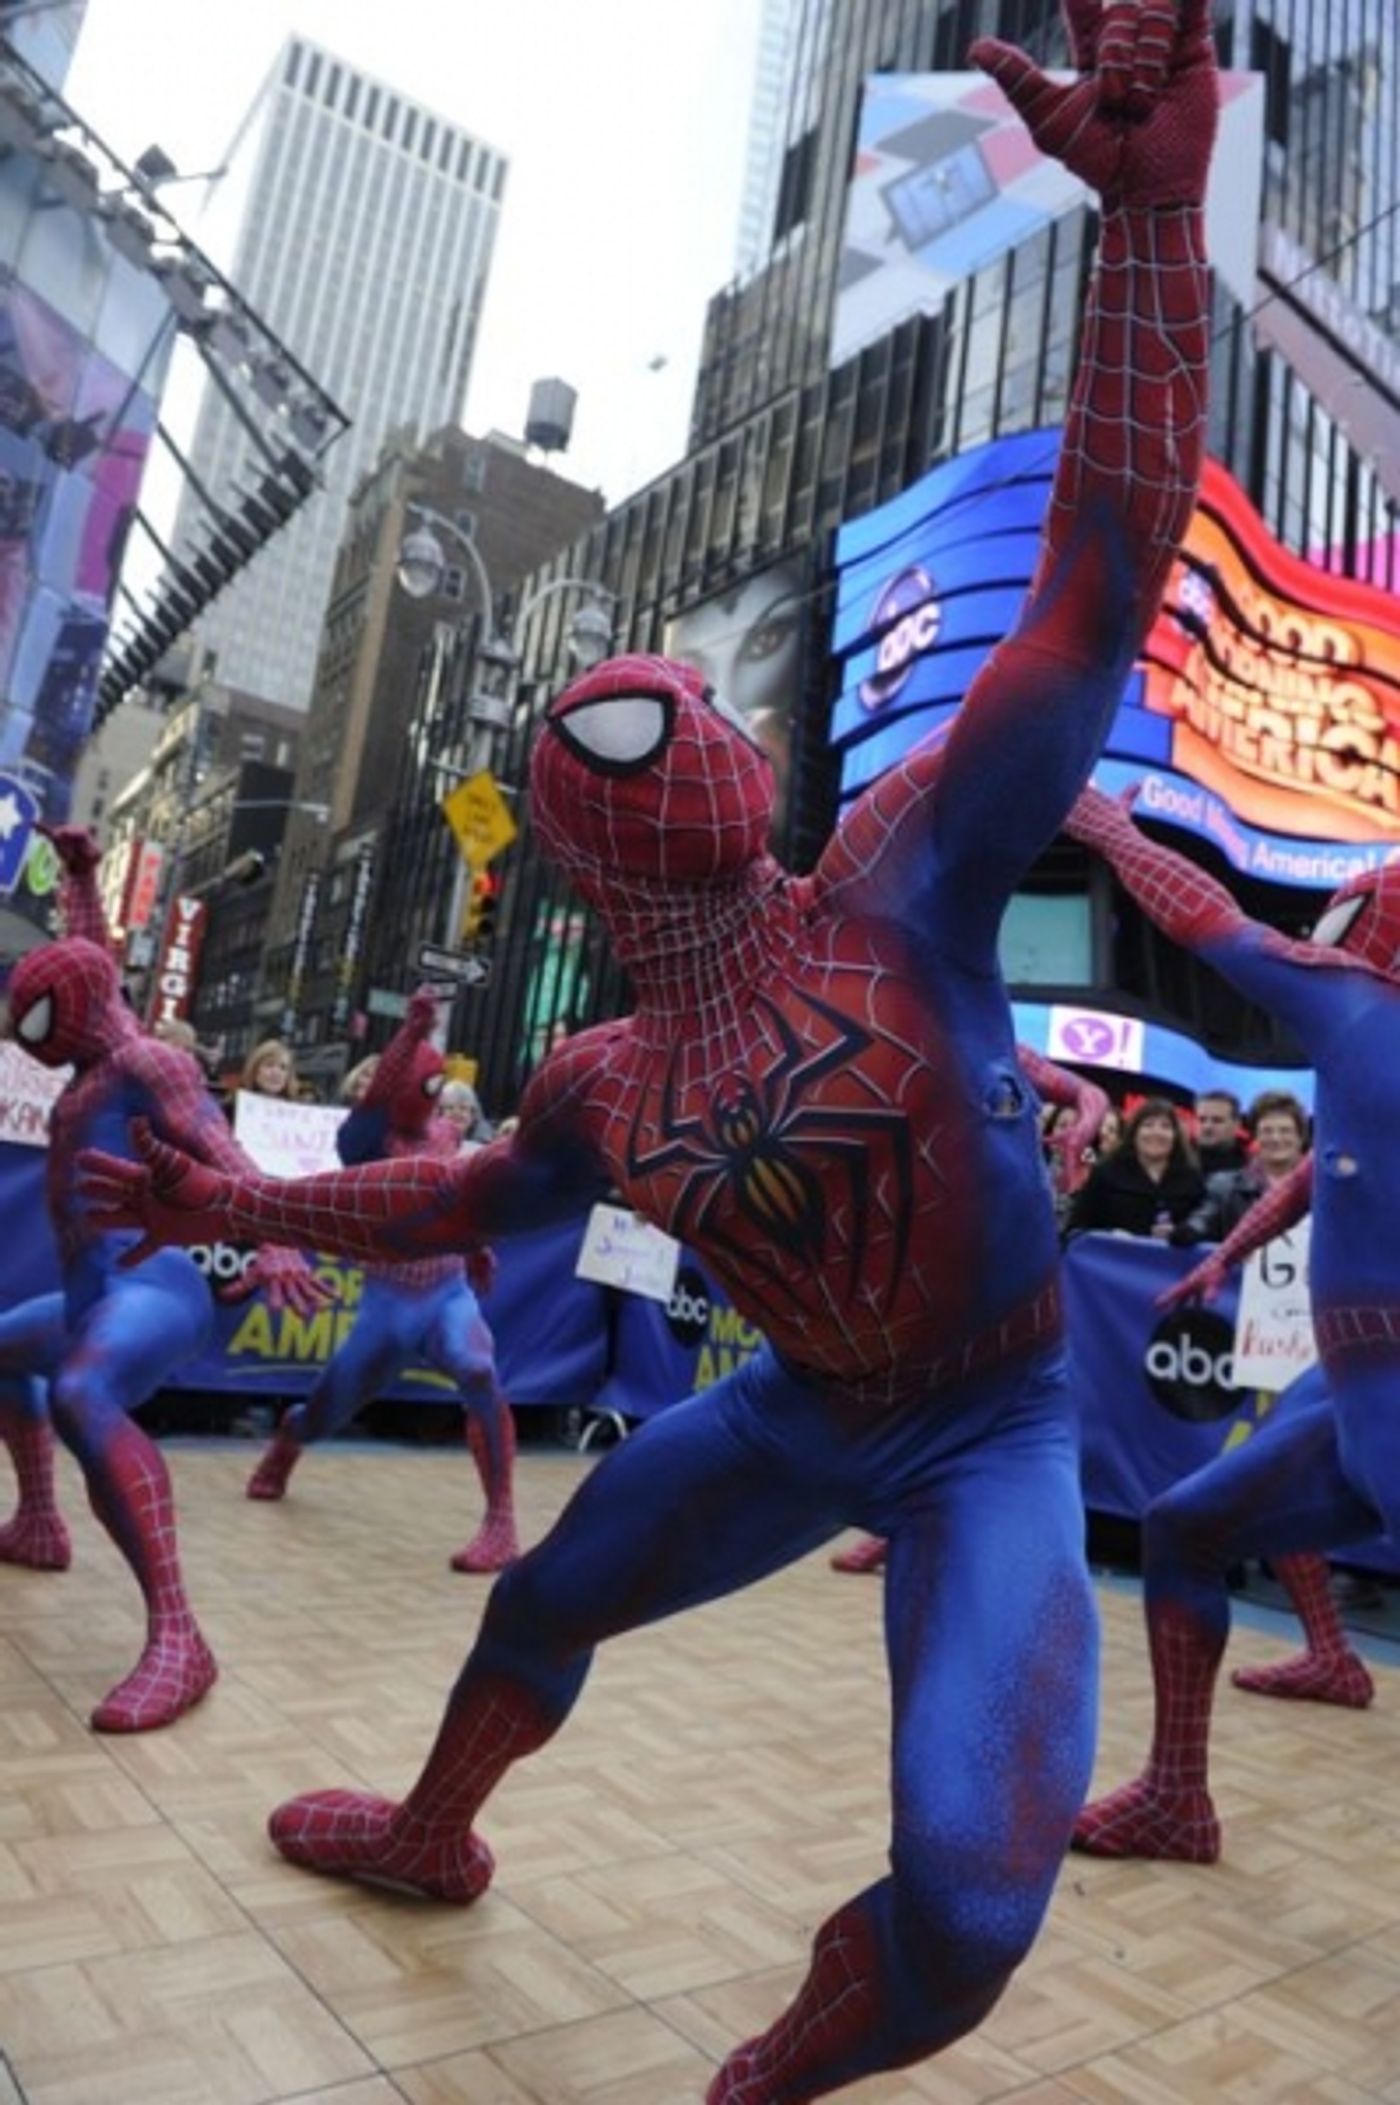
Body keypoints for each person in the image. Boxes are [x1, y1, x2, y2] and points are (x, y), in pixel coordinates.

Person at [79, 11, 1217, 2091]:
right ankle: (433, 1831)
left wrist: (1149, 220)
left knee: (972, 1909)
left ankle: (765, 2071)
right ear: (590, 838)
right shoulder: (601, 1078)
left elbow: (1096, 577)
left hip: (993, 1424)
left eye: (687, 699)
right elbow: (456, 1196)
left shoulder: (903, 872)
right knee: (541, 1603)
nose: (690, 710)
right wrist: (238, 1194)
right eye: (629, 717)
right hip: (797, 1414)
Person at [1054, 778, 1400, 1862]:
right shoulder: (1366, 1052)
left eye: (1338, 927)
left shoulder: (1361, 1013)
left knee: (1187, 1529)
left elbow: (1210, 921)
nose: (1318, 945)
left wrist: (1109, 828)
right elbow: (1316, 1181)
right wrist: (1222, 1255)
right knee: (1183, 1529)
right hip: (1356, 1389)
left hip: (1375, 1387)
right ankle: (1175, 1796)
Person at [0, 825, 325, 1729]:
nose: (25, 1038)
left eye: (33, 1021)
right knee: (5, 1353)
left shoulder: (147, 1061)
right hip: (92, 1296)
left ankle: (180, 1637)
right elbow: (88, 967)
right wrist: (80, 877)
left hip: (153, 1286)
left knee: (82, 1393)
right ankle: (40, 1520)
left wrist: (274, 1238)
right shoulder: (96, 1055)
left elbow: (222, 1147)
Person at [245, 990, 520, 1572]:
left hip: (446, 1290)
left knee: (477, 1369)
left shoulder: (446, 1136)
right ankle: (291, 1440)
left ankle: (501, 1518)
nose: (426, 1097)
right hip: (389, 1304)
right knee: (327, 1409)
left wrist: (475, 1243)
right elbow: (379, 1097)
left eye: (432, 1087)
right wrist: (412, 1029)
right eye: (417, 1086)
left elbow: (457, 1198)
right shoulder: (366, 1143)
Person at [1174, 1088, 1308, 1243]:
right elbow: (1204, 1217)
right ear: (1256, 1136)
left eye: (1285, 1131)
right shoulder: (1224, 1185)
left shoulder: (1320, 1187)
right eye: (1267, 1131)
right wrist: (1190, 1230)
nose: (1276, 1138)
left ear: (1300, 1137)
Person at [1063, 1095, 1204, 1240]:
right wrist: (1112, 1235)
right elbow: (1077, 1227)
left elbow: (1202, 1226)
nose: (1156, 1132)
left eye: (1165, 1126)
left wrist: (1181, 1233)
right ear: (1134, 1133)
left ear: (1175, 1136)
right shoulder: (1106, 1172)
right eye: (1148, 1125)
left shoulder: (1191, 1178)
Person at [1192, 1087, 1246, 1178]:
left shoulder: (1249, 1168)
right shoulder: (1178, 1159)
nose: (1207, 1126)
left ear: (1236, 1124)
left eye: (1217, 1120)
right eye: (1202, 1120)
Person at [439, 1076, 492, 1146]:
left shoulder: (482, 1139)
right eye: (450, 1108)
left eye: (463, 1108)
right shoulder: (430, 1135)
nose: (456, 1113)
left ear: (473, 1113)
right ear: (440, 1113)